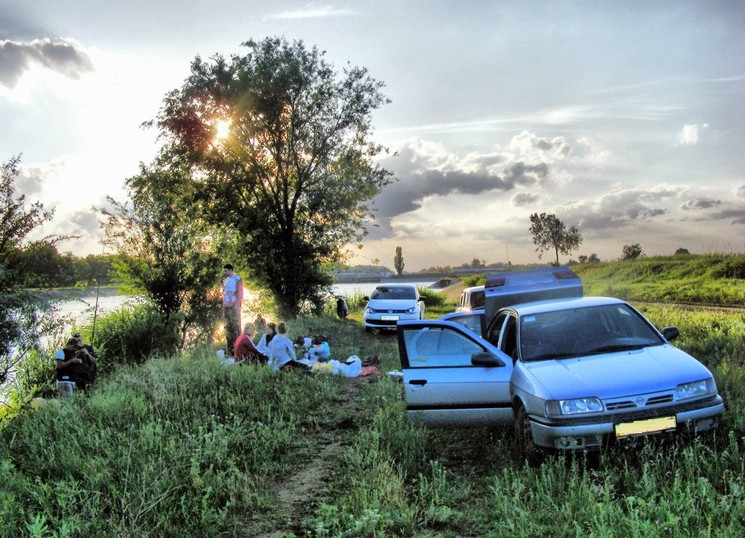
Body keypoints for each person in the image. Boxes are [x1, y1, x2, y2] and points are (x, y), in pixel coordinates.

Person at [222, 263, 243, 357]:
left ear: (231, 270)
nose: (225, 273)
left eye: (226, 271)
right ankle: (230, 349)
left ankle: (239, 349)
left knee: (236, 327)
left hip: (234, 306)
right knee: (228, 327)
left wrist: (237, 305)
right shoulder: (227, 280)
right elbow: (226, 292)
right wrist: (222, 285)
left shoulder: (237, 279)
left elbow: (240, 293)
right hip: (226, 306)